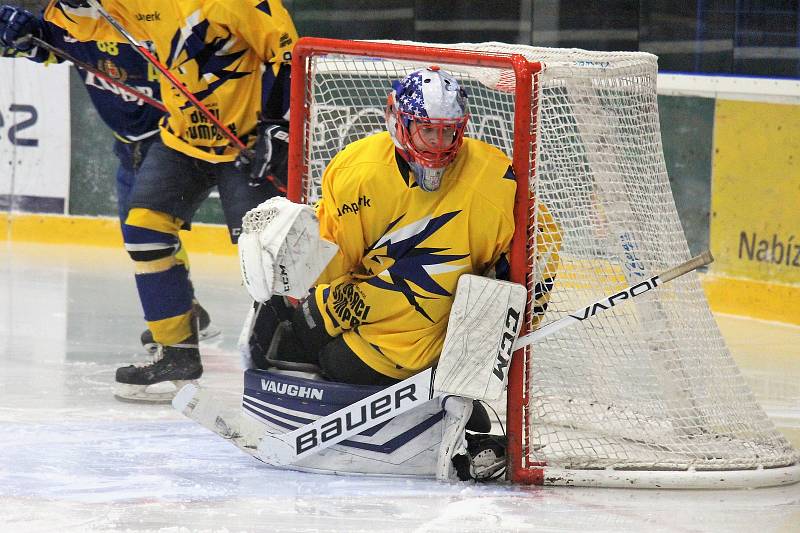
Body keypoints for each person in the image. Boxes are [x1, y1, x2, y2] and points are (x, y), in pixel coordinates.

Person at [35, 0, 298, 402]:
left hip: (243, 143)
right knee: (144, 231)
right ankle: (177, 355)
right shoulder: (130, 4)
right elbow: (87, 30)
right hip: (181, 140)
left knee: (269, 251)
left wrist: (278, 127)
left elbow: (287, 53)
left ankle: (287, 358)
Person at [245, 66, 560, 390]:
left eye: (447, 131)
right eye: (428, 130)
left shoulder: (490, 181)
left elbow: (546, 239)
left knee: (323, 352)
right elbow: (333, 264)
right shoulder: (361, 171)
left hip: (406, 341)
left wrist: (507, 323)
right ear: (400, 122)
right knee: (300, 329)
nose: (438, 144)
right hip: (371, 307)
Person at [0, 4, 219, 354]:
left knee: (151, 234)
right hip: (127, 148)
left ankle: (187, 331)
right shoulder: (76, 21)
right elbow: (49, 44)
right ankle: (184, 310)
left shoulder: (151, 20)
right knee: (146, 239)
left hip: (175, 144)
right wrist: (25, 34)